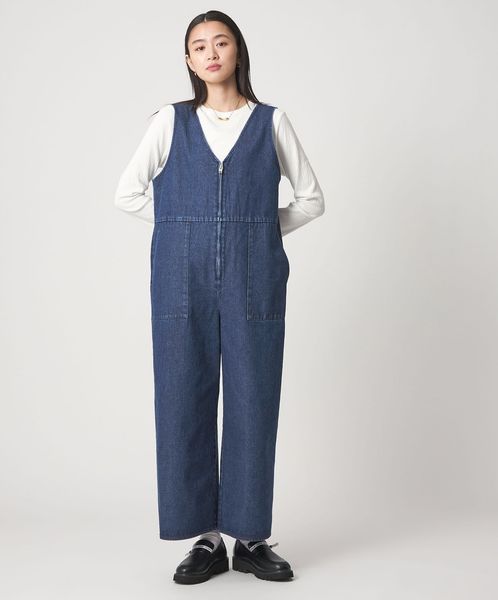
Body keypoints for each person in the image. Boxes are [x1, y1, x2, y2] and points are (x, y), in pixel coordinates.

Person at [114, 10, 325, 585]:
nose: (210, 53)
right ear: (188, 60)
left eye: (221, 42)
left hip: (255, 275)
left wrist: (257, 230)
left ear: (238, 51)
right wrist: (186, 227)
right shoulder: (170, 121)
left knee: (254, 398)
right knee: (181, 395)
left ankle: (250, 537)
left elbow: (311, 199)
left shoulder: (272, 122)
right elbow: (127, 193)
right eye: (199, 46)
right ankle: (205, 539)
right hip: (179, 276)